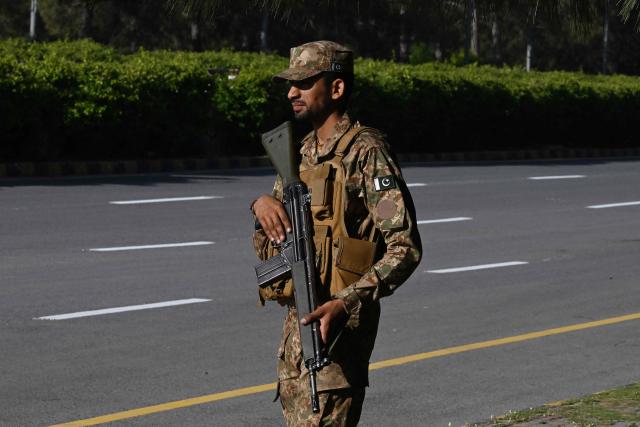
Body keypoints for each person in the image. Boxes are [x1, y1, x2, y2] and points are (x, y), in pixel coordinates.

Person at [251, 40, 422, 426]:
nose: (291, 92)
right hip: (294, 351)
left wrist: (345, 303)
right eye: (290, 83)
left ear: (337, 88)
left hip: (334, 348)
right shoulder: (299, 154)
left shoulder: (366, 152)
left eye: (304, 82)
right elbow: (273, 243)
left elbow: (405, 247)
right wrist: (260, 207)